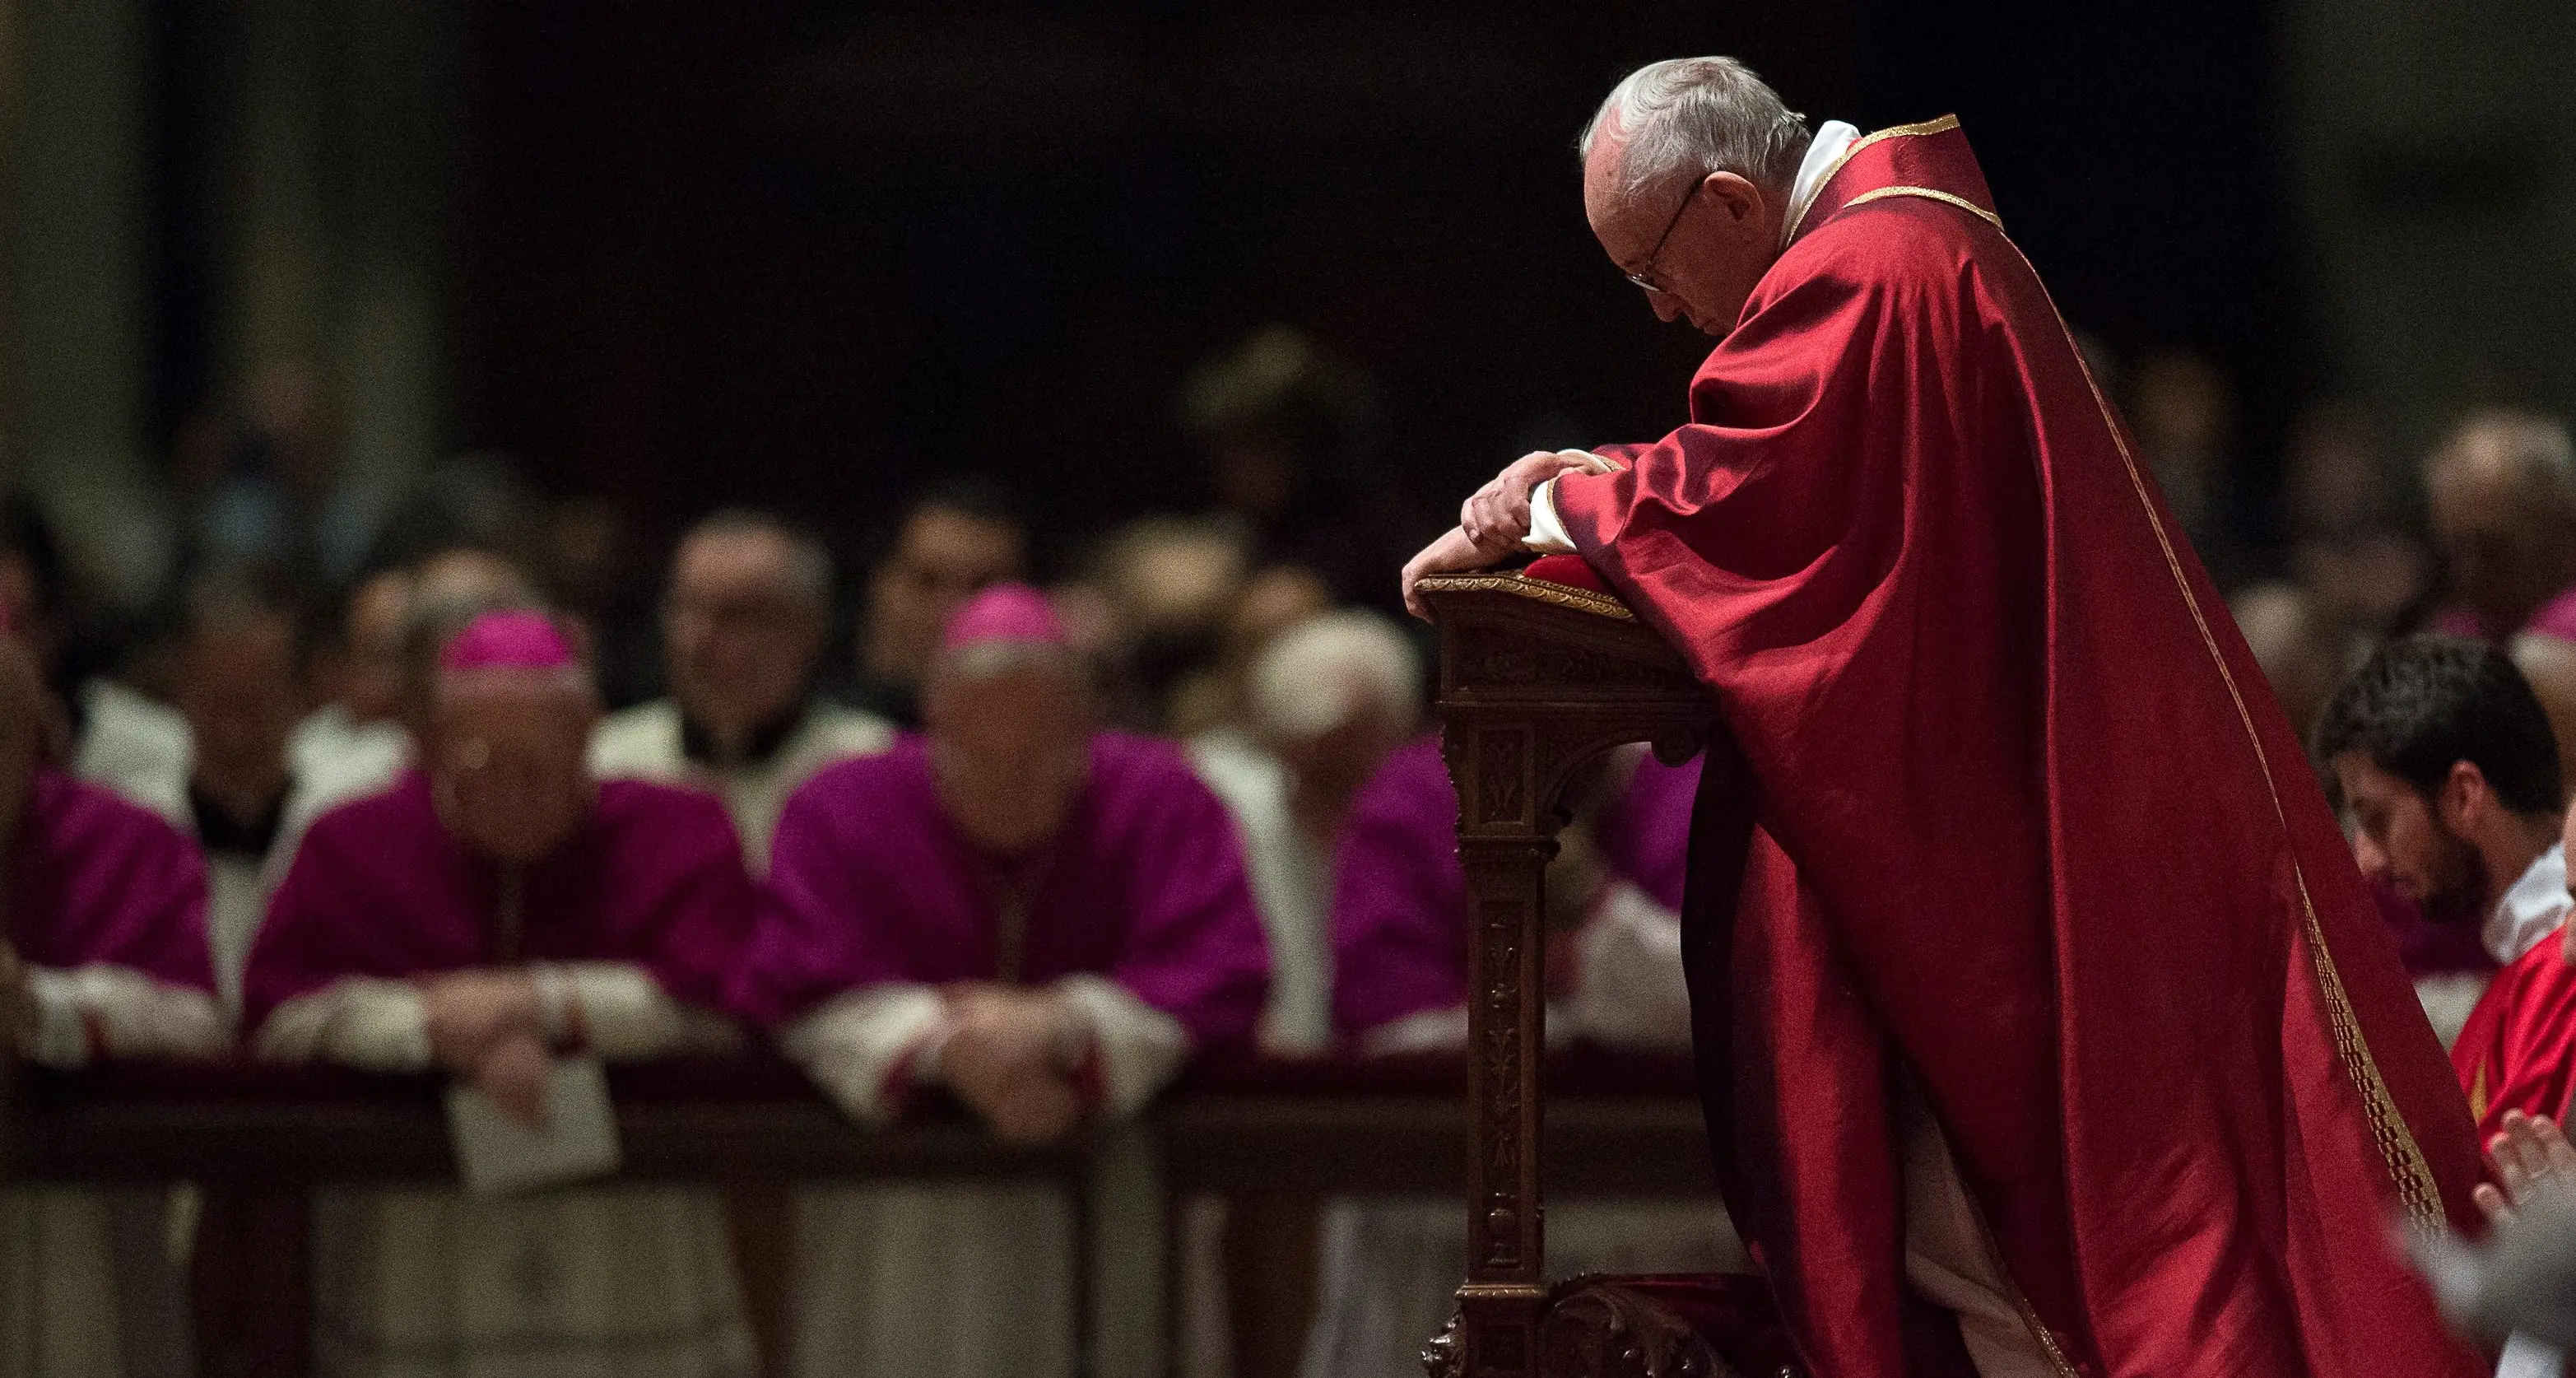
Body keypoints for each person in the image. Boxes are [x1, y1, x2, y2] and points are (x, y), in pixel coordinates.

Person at [1400, 56, 2485, 1376]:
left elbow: (1766, 507)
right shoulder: (1902, 239)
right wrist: (1591, 481)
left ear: (1732, 200)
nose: (1666, 313)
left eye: (1653, 272)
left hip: (2037, 854)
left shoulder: (1869, 270)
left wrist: (1553, 509)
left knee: (2072, 1257)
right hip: (2070, 800)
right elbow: (1789, 483)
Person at [734, 583, 1269, 1378]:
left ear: (1085, 733)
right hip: (899, 1211)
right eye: (980, 756)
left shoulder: (1163, 800)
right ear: (934, 727)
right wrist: (948, 1047)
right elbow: (793, 982)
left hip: (1112, 1180)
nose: (1009, 783)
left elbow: (1220, 971)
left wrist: (1061, 1028)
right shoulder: (841, 807)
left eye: (1039, 755)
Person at [244, 609, 761, 1378]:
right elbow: (281, 1017)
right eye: (482, 762)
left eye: (541, 763)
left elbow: (726, 1012)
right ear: (433, 746)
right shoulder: (352, 842)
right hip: (417, 1251)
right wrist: (429, 1029)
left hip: (630, 1249)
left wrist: (539, 1007)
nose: (513, 790)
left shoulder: (680, 830)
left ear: (589, 736)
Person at [1306, 737, 1734, 1378]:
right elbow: (1388, 1039)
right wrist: (1581, 1012)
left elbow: (1730, 1004)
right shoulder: (1417, 793)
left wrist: (1589, 898)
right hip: (1447, 1215)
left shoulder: (1704, 786)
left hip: (1663, 1206)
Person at [0, 621, 226, 1378]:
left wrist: (40, 1008)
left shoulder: (129, 841)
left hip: (89, 1240)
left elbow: (198, 1021)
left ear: (41, 734)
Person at [2314, 637, 2570, 1093]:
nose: (2367, 862)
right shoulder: (2520, 973)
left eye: (2378, 820)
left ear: (2463, 795)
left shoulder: (2561, 972)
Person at [592, 510, 891, 869]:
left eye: (736, 615)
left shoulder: (873, 769)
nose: (695, 641)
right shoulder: (607, 762)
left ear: (808, 630)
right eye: (685, 608)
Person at [1189, 608, 1420, 1052]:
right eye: (1303, 733)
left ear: (1394, 729)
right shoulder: (1222, 812)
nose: (1317, 755)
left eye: (1346, 738)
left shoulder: (1426, 830)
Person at [2425, 411, 2576, 791]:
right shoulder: (2457, 637)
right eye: (2455, 551)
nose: (2468, 574)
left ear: (2563, 530)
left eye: (2490, 549)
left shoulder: (2555, 641)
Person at [849, 479, 1028, 729]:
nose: (951, 612)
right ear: (880, 585)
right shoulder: (812, 744)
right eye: (927, 581)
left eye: (982, 588)